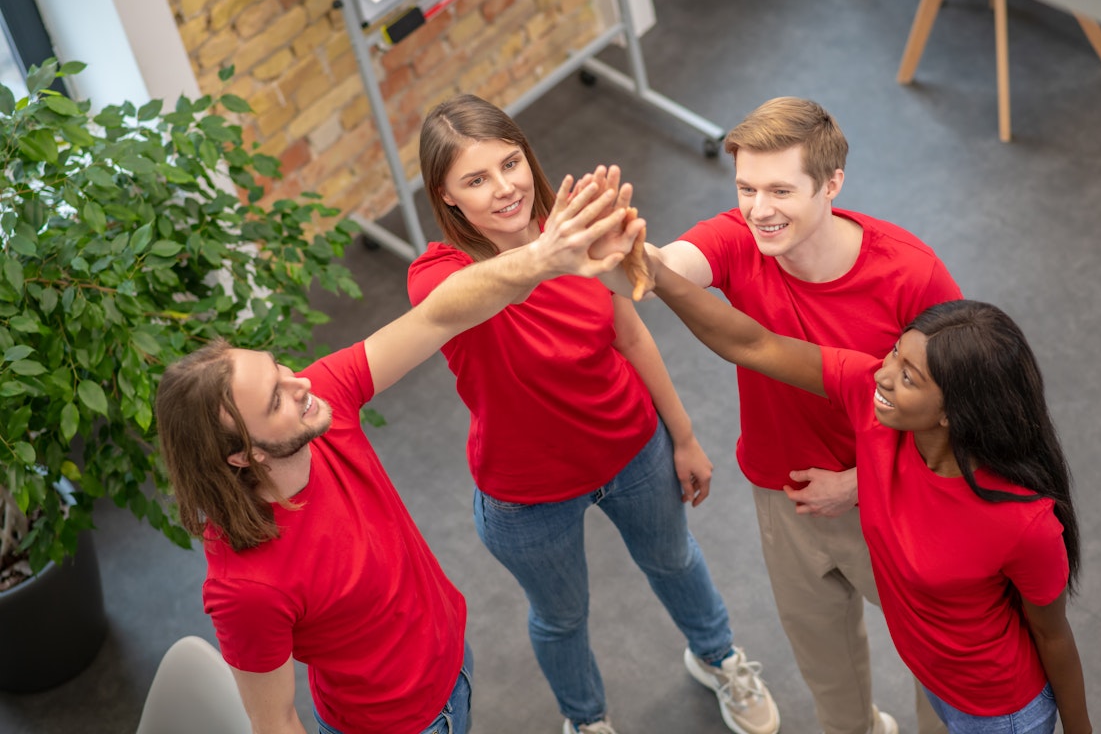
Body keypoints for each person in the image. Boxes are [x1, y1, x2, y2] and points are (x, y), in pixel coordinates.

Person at [154, 183, 642, 734]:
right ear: (243, 455)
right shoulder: (246, 589)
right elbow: (275, 722)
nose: (301, 383)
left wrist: (540, 257)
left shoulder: (325, 399)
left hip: (453, 664)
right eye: (275, 399)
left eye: (281, 368)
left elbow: (438, 317)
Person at [405, 93, 780, 734]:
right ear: (447, 199)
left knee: (676, 561)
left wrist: (682, 436)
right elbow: (477, 295)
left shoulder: (579, 235)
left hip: (633, 451)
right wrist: (551, 253)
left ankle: (718, 657)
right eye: (475, 179)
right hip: (527, 497)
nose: (503, 189)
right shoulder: (437, 276)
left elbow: (631, 338)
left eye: (510, 164)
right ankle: (586, 720)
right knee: (561, 616)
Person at [643, 256, 1092, 734]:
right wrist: (654, 273)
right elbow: (753, 344)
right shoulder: (871, 408)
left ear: (953, 413)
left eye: (907, 377)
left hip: (1001, 713)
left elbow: (1053, 636)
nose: (883, 374)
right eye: (896, 354)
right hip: (935, 681)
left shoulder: (1023, 521)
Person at [636, 97, 961, 734]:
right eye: (746, 188)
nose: (760, 209)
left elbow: (960, 414)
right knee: (826, 668)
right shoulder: (739, 237)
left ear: (832, 183)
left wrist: (861, 482)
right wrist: (620, 251)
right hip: (783, 497)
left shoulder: (912, 276)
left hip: (895, 497)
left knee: (938, 660)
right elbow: (658, 272)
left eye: (781, 189)